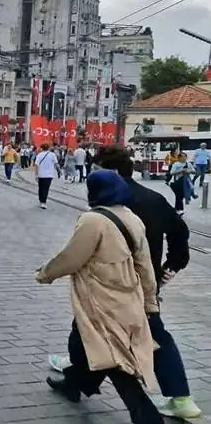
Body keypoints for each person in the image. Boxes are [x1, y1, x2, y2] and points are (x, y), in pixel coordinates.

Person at [48, 145, 200, 421]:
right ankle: (76, 382)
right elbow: (180, 232)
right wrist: (172, 266)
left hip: (112, 288)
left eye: (97, 169)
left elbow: (81, 252)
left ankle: (171, 400)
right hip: (147, 281)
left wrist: (49, 272)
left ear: (112, 172)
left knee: (104, 336)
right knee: (104, 334)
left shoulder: (110, 207)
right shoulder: (154, 199)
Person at [38, 170, 164, 424]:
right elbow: (145, 264)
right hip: (127, 296)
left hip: (99, 299)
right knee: (81, 340)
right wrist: (149, 300)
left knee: (112, 356)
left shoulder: (93, 221)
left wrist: (45, 274)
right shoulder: (132, 218)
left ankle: (145, 414)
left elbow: (72, 257)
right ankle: (75, 384)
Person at [34, 143, 59, 209]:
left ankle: (41, 200)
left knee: (41, 188)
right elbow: (56, 164)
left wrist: (36, 175)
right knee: (46, 188)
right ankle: (43, 202)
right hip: (49, 175)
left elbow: (36, 165)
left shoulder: (39, 155)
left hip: (41, 174)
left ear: (42, 148)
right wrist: (59, 171)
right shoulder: (53, 155)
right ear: (48, 148)